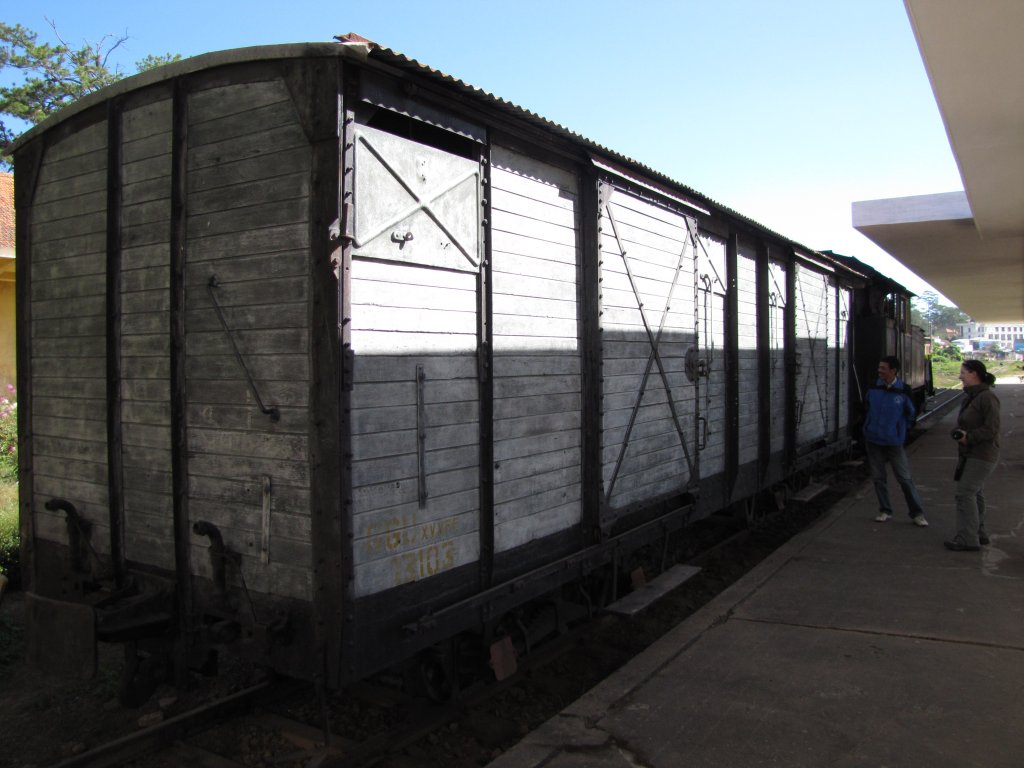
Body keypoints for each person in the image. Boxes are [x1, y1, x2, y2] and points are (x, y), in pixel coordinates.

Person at [862, 356, 928, 526]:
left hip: (894, 442)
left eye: (883, 368)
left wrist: (901, 431)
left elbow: (911, 414)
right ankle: (885, 510)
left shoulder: (903, 390)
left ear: (893, 371)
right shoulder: (873, 388)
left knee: (904, 478)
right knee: (878, 478)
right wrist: (868, 428)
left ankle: (917, 513)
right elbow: (866, 409)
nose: (879, 371)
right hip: (874, 439)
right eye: (879, 368)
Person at [944, 359, 1001, 551]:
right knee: (975, 493)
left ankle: (967, 539)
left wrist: (969, 437)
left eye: (963, 372)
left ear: (974, 374)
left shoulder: (986, 397)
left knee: (964, 493)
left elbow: (992, 428)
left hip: (981, 454)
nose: (960, 376)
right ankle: (979, 533)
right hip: (972, 453)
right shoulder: (973, 396)